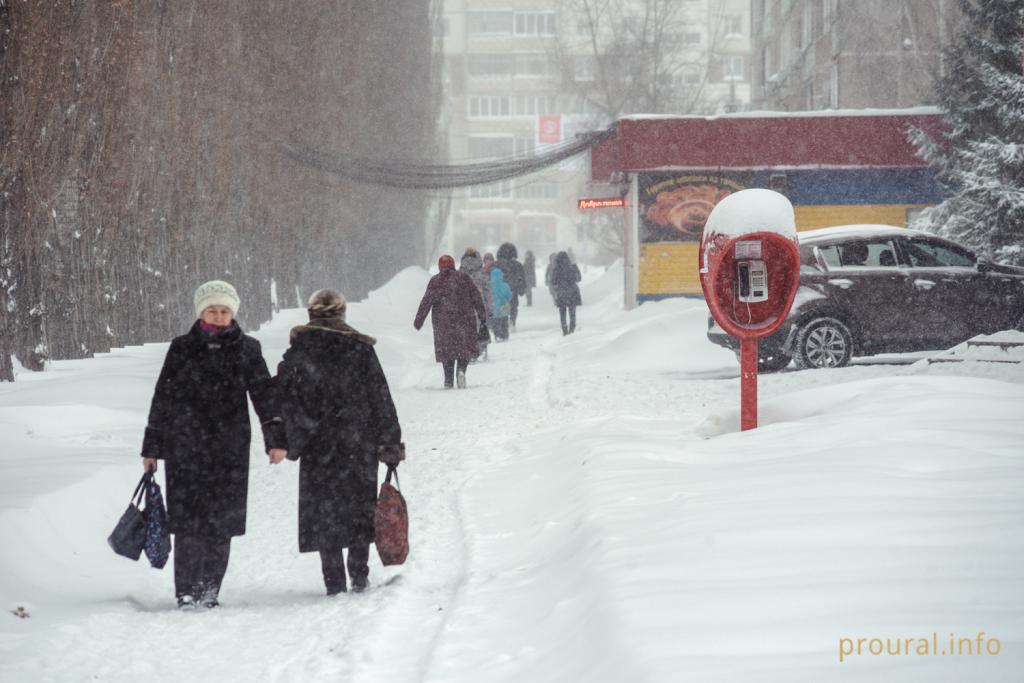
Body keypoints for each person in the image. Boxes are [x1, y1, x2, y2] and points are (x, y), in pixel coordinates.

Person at [141, 280, 287, 610]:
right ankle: (186, 592)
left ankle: (209, 591)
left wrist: (275, 439)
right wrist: (152, 448)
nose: (219, 316)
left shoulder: (247, 348)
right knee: (188, 524)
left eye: (224, 310)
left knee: (222, 524)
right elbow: (163, 397)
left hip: (229, 448)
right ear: (201, 312)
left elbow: (264, 395)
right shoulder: (182, 348)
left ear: (232, 313)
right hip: (185, 447)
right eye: (212, 310)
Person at [272, 289, 403, 596]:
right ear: (343, 314)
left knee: (324, 513)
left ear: (311, 314)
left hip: (317, 444)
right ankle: (358, 575)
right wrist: (390, 442)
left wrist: (288, 435)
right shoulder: (360, 349)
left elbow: (281, 397)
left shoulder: (300, 351)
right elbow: (380, 397)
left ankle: (333, 580)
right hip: (358, 442)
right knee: (359, 509)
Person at [414, 255, 488, 388]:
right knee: (464, 349)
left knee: (447, 351)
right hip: (465, 320)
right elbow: (476, 296)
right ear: (453, 265)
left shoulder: (435, 281)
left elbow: (426, 301)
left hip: (443, 323)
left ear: (440, 266)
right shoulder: (464, 277)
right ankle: (461, 371)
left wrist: (418, 321)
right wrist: (482, 316)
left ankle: (448, 380)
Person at [460, 248, 492, 360]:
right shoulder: (481, 273)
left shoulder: (460, 273)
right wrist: (490, 306)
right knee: (481, 326)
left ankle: (469, 351)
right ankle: (480, 348)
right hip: (479, 304)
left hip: (464, 304)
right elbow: (488, 291)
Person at [494, 243, 527, 331]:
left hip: (502, 290)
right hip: (513, 289)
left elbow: (493, 277)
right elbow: (521, 277)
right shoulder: (517, 264)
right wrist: (522, 288)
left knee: (504, 306)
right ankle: (512, 321)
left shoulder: (497, 264)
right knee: (514, 307)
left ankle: (505, 322)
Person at [551, 251, 582, 335]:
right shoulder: (573, 267)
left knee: (562, 312)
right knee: (572, 313)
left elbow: (553, 281)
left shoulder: (556, 269)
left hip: (562, 293)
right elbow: (579, 278)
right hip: (573, 292)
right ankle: (572, 329)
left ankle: (564, 330)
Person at [490, 267, 513, 342]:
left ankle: (497, 335)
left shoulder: (489, 286)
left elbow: (487, 296)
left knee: (495, 322)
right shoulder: (505, 285)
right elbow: (509, 296)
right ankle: (505, 335)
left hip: (493, 307)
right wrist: (506, 300)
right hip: (504, 306)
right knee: (504, 321)